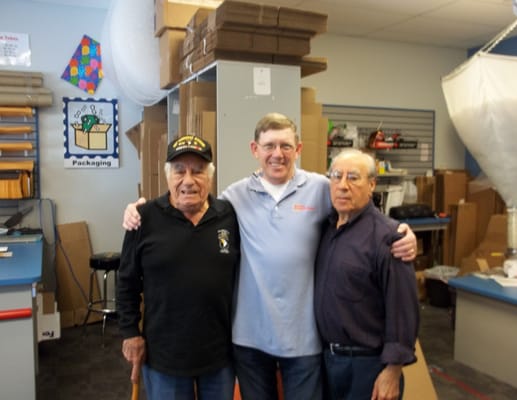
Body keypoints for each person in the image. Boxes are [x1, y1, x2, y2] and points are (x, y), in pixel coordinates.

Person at [122, 113, 417, 400]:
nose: (278, 154)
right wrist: (136, 210)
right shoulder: (233, 198)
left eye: (286, 146)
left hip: (304, 341)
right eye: (269, 146)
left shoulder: (320, 188)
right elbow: (181, 212)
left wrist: (400, 231)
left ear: (298, 150)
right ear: (255, 150)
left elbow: (356, 204)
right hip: (248, 341)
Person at [117, 135, 240, 400]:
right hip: (164, 357)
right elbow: (127, 281)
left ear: (210, 177)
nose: (188, 180)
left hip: (219, 355)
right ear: (167, 176)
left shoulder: (229, 216)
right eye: (179, 171)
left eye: (197, 171)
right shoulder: (144, 218)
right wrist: (130, 333)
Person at [314, 148, 419, 400]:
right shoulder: (325, 229)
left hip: (368, 366)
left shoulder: (389, 238)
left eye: (353, 177)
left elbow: (403, 309)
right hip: (328, 362)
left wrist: (393, 370)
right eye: (336, 176)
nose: (342, 185)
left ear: (372, 184)